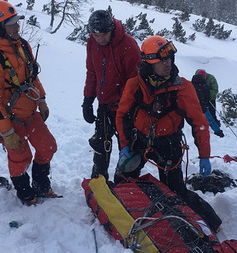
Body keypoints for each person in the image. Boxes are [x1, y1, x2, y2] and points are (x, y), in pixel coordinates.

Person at [0, 0, 57, 205]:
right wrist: (6, 132)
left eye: (16, 21)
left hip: (30, 113)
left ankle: (41, 184)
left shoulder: (22, 45)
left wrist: (42, 100)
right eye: (11, 23)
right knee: (20, 158)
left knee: (47, 147)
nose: (17, 26)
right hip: (10, 120)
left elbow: (32, 77)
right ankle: (25, 194)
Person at [116, 35, 212, 197]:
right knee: (122, 183)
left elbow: (199, 122)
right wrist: (125, 146)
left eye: (169, 59)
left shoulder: (183, 88)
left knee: (176, 193)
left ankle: (209, 221)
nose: (167, 63)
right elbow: (123, 115)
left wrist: (204, 155)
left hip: (169, 145)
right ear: (148, 63)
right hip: (139, 141)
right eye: (162, 61)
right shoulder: (135, 85)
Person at [82, 10, 141, 180]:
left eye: (103, 35)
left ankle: (125, 180)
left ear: (112, 29)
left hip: (126, 107)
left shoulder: (128, 45)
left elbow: (135, 81)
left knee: (128, 146)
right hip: (104, 104)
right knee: (101, 144)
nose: (99, 39)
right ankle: (99, 178)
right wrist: (88, 99)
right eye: (95, 34)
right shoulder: (92, 42)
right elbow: (92, 72)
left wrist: (125, 105)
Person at [191, 70, 224, 137]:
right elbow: (208, 98)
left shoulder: (191, 84)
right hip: (202, 106)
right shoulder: (205, 86)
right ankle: (218, 132)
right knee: (210, 119)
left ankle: (196, 131)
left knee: (194, 120)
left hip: (192, 105)